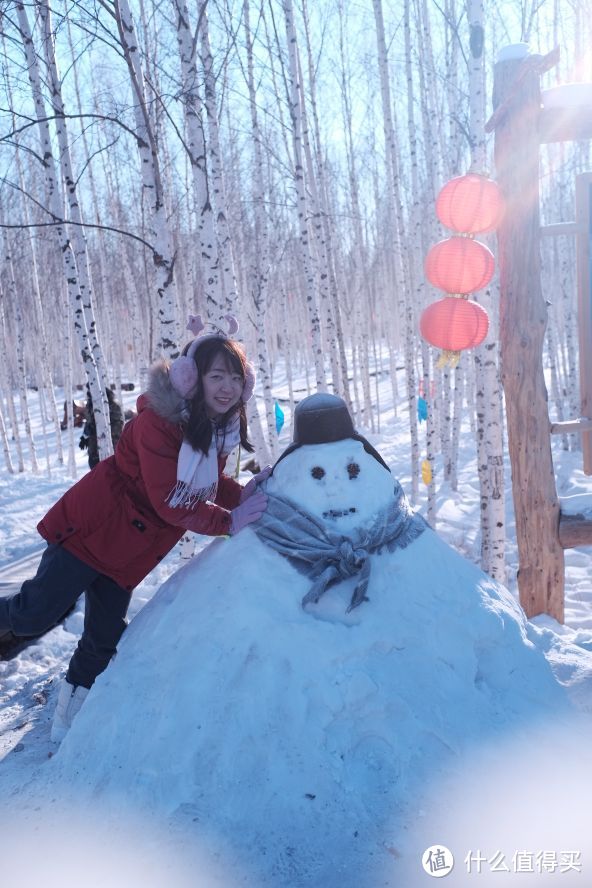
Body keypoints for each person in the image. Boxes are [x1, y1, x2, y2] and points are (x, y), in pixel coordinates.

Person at [0, 315, 269, 742]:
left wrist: (244, 495)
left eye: (236, 378)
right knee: (35, 614)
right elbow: (172, 500)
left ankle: (70, 720)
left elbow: (206, 483)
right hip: (91, 532)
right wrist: (229, 521)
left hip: (128, 552)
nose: (228, 387)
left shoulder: (213, 430)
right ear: (190, 377)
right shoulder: (157, 424)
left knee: (102, 640)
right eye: (217, 375)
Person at [79, 386, 125, 469]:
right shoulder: (90, 406)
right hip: (93, 450)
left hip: (110, 449)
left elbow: (118, 427)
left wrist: (98, 429)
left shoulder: (113, 406)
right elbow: (88, 423)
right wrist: (84, 436)